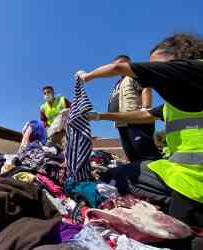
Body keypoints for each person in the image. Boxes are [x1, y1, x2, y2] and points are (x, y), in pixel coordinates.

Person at [76, 33, 203, 233]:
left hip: (194, 183)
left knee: (184, 239)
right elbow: (138, 115)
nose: (154, 75)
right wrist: (99, 116)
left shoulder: (196, 70)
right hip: (179, 174)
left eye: (157, 65)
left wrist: (87, 76)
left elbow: (119, 68)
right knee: (114, 176)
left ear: (180, 56)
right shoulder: (171, 106)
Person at [107, 54, 161, 162]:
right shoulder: (118, 83)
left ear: (128, 63)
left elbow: (146, 89)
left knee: (144, 152)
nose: (115, 68)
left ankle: (156, 176)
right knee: (130, 153)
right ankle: (140, 177)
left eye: (119, 65)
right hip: (121, 122)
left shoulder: (134, 75)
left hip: (136, 119)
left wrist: (145, 108)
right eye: (114, 66)